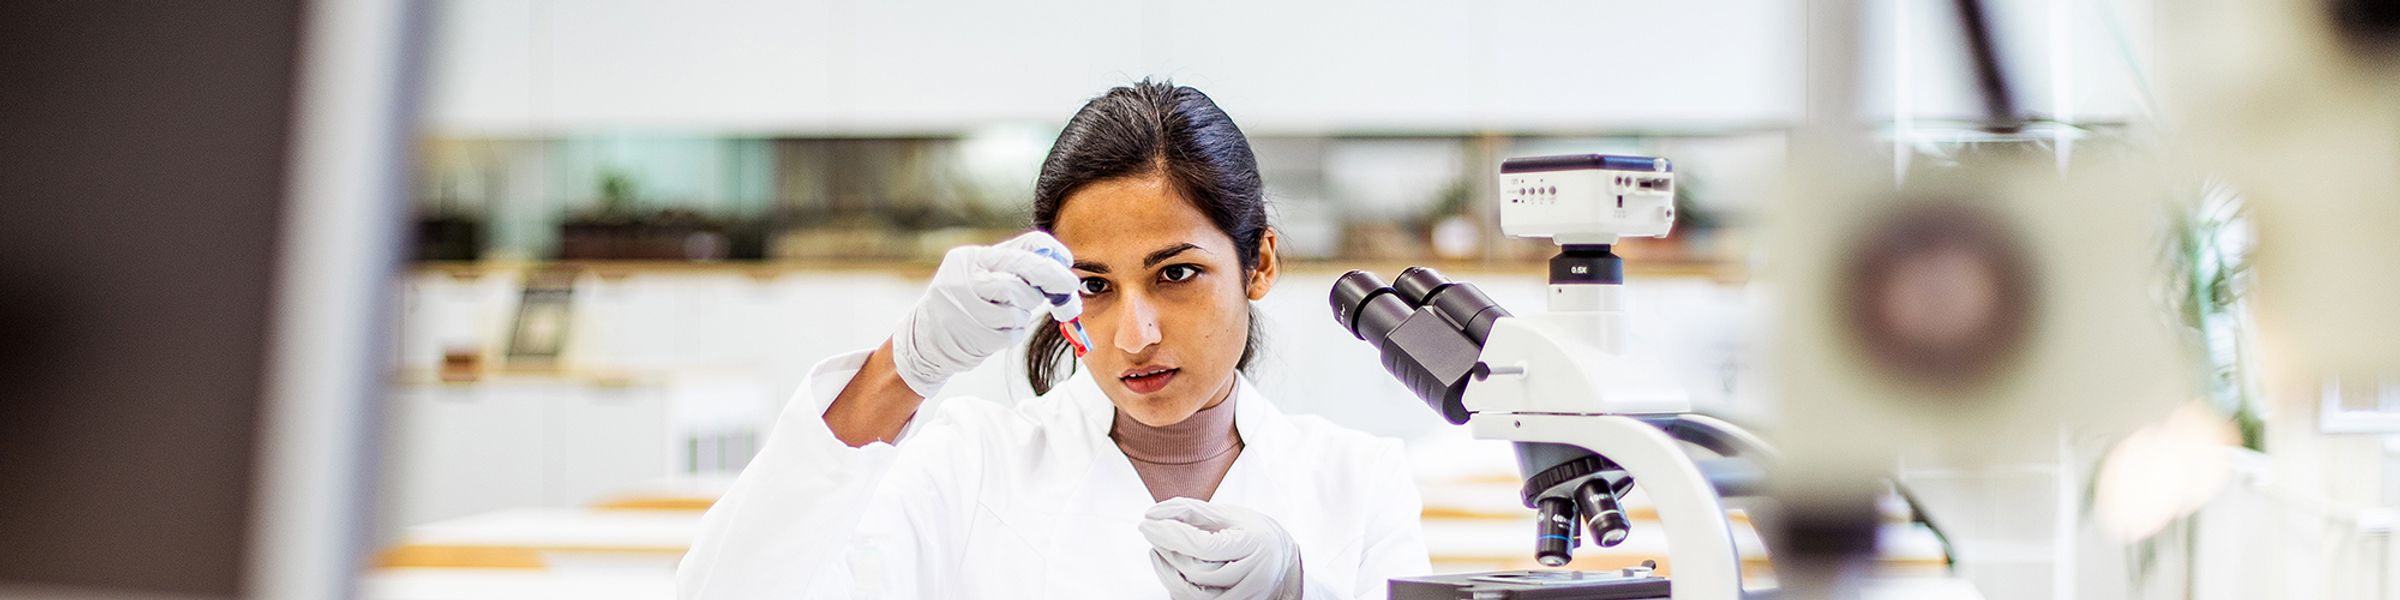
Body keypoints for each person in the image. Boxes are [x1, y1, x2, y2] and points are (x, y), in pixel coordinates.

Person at [676, 80, 1429, 599]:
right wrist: (902, 369)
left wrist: (1303, 591)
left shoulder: (1357, 480)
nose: (1135, 334)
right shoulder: (971, 463)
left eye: (1176, 275)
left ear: (1258, 263)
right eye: (1095, 285)